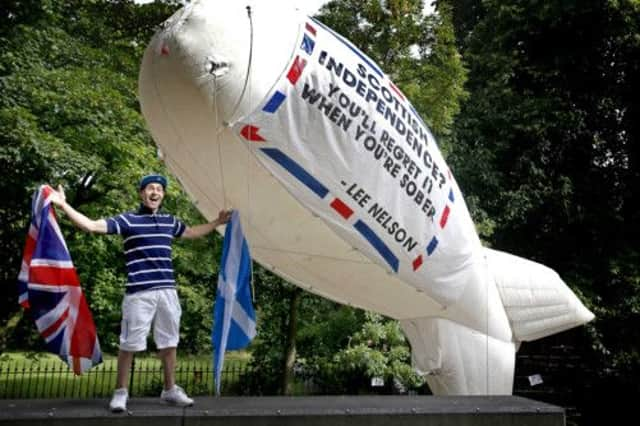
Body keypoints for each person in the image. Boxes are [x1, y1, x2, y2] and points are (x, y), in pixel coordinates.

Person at [50, 174, 231, 412]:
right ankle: (121, 392)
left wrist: (217, 222)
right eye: (150, 188)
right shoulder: (128, 220)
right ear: (141, 193)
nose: (155, 192)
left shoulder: (169, 221)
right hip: (139, 293)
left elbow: (192, 232)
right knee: (129, 345)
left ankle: (169, 391)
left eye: (159, 189)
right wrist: (63, 205)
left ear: (163, 195)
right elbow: (90, 225)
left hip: (167, 292)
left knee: (169, 343)